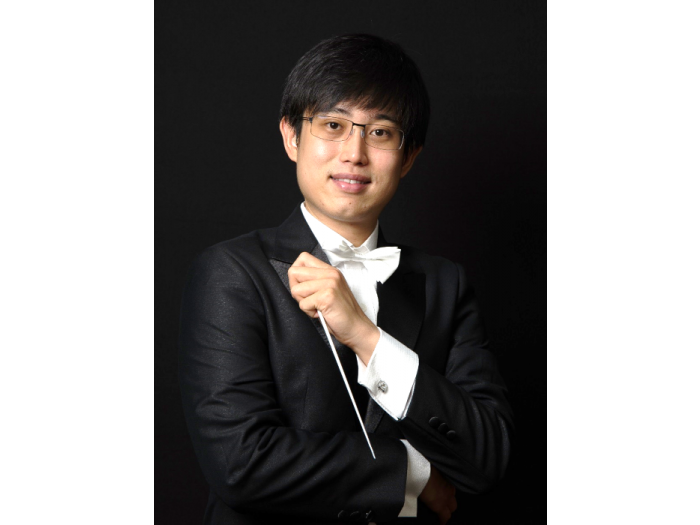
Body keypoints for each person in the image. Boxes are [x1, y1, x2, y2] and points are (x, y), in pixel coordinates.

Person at [179, 34, 513, 525]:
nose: (354, 153)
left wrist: (366, 336)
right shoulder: (231, 273)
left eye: (380, 132)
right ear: (292, 137)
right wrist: (411, 473)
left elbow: (488, 456)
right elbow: (240, 463)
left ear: (409, 156)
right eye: (333, 125)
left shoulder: (445, 284)